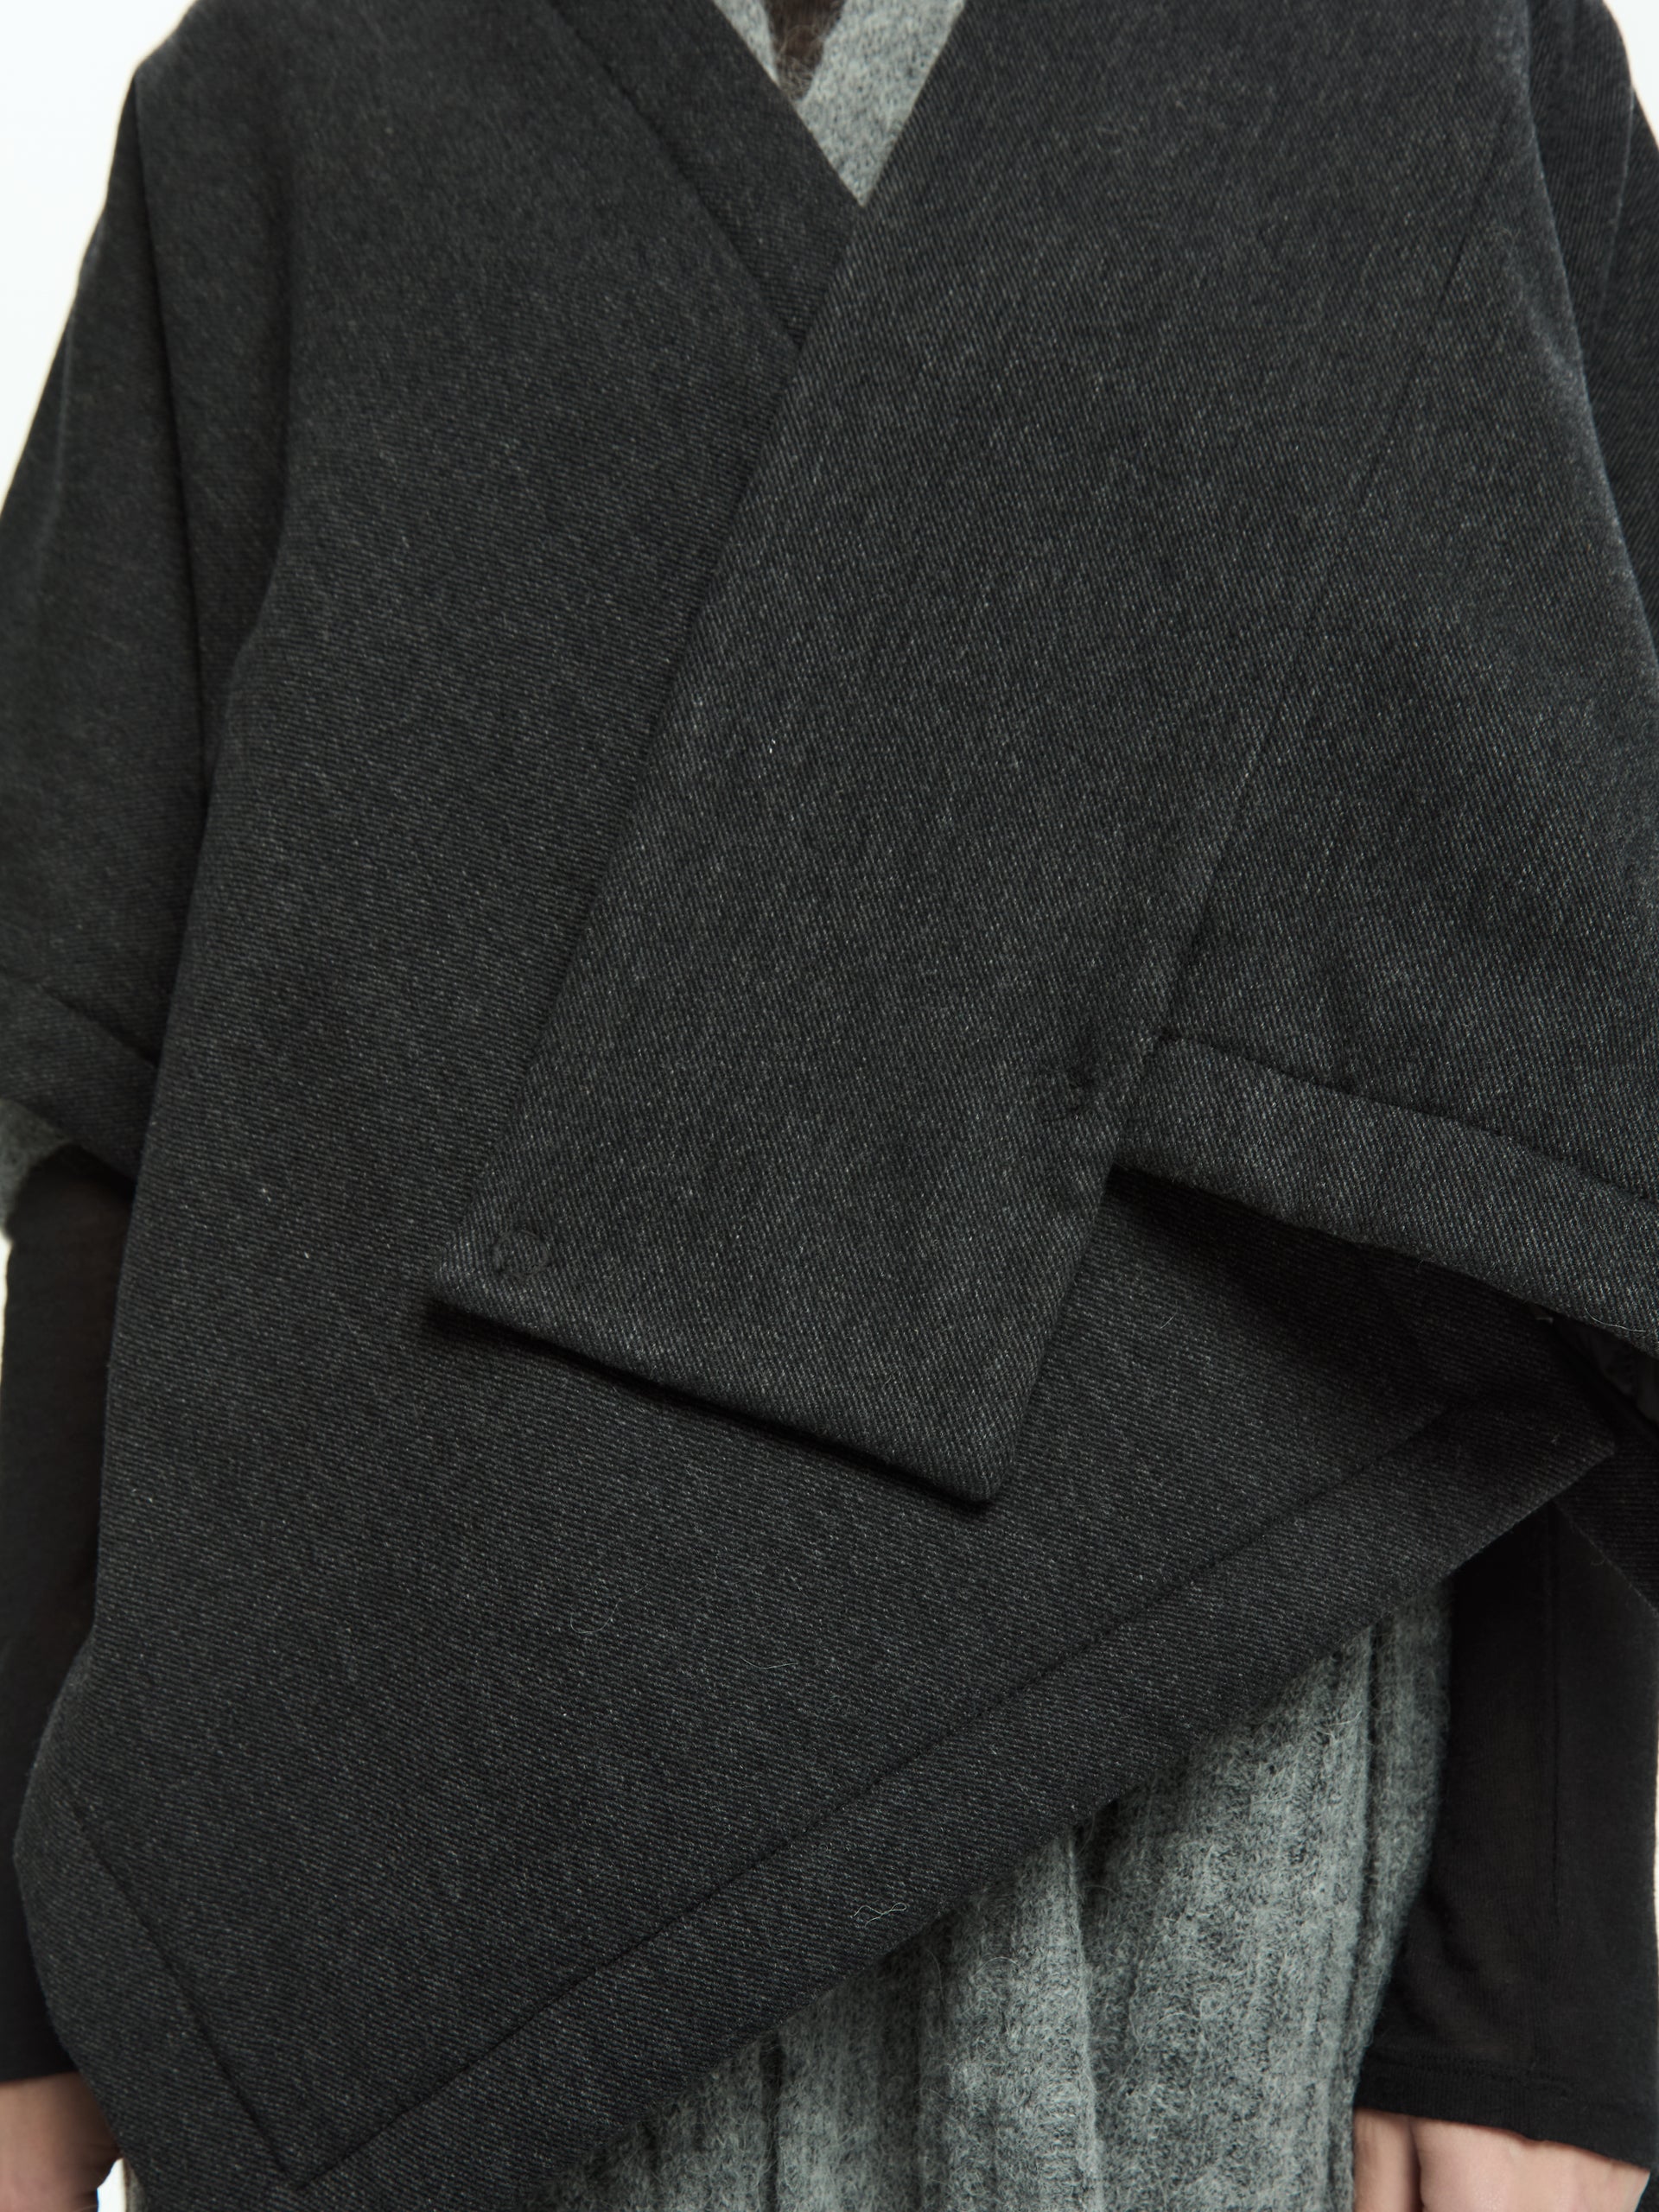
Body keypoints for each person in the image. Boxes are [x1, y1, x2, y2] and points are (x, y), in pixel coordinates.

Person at [3, 0, 1659, 2207]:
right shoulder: (294, 84)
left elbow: (1564, 1092)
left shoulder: (1426, 43)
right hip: (430, 1735)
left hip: (1187, 1775)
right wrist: (30, 1973)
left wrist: (1533, 1973)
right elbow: (99, 1057)